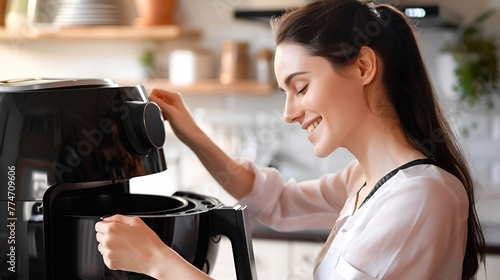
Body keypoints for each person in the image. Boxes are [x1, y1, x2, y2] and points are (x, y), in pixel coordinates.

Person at [95, 0, 486, 279]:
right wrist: (192, 133)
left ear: (364, 66)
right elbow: (275, 201)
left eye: (300, 87)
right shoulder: (364, 181)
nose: (289, 113)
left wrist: (160, 262)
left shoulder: (421, 196)